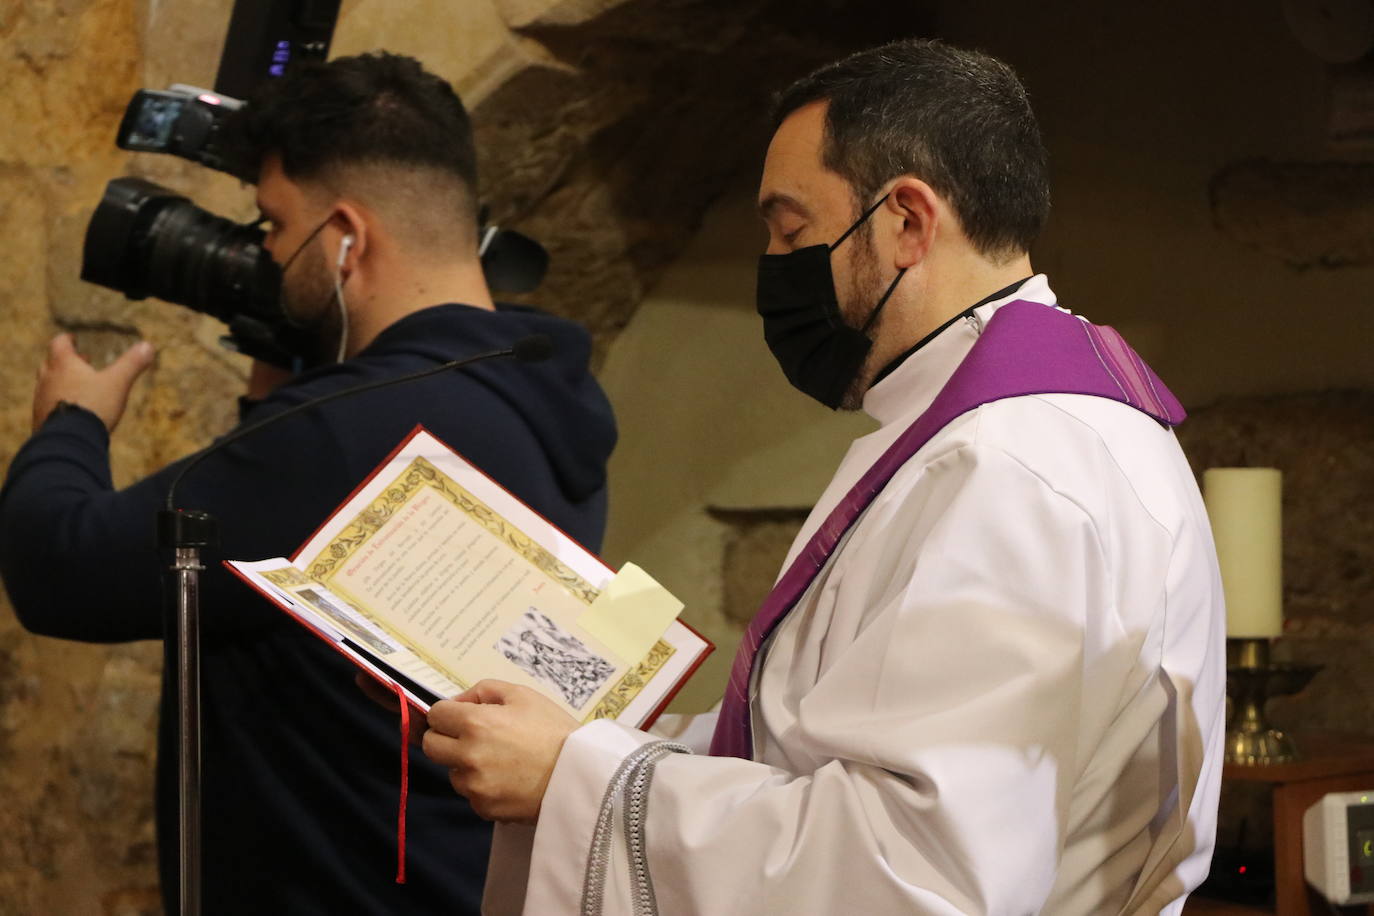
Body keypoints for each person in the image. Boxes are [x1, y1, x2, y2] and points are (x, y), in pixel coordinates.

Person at [419, 39, 1226, 915]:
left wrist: (577, 777)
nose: (772, 260)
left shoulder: (1010, 469)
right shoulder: (1003, 432)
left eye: (790, 226)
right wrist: (572, 734)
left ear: (908, 222)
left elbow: (915, 873)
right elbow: (815, 755)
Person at [0, 52, 616, 914]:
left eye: (274, 224)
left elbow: (59, 570)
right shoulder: (531, 399)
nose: (266, 253)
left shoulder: (347, 432)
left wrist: (71, 424)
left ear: (346, 236)